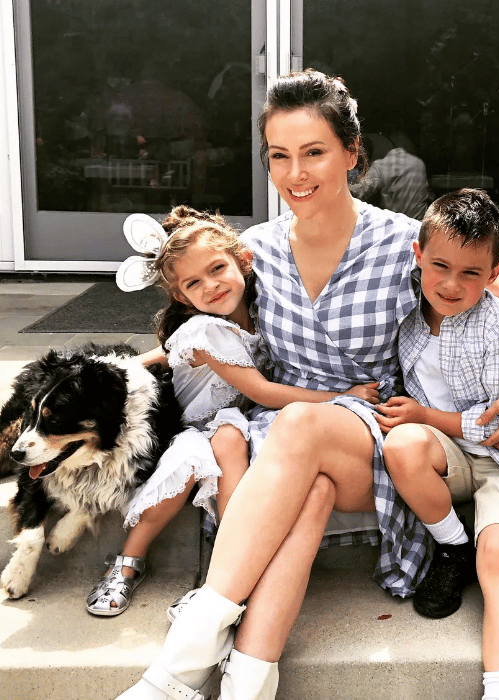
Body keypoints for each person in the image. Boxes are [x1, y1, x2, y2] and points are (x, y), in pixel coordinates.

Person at [114, 69, 499, 700]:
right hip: (290, 438)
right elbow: (202, 326)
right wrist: (127, 367)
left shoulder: (402, 243)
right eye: (279, 156)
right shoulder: (256, 250)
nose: (295, 174)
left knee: (300, 429)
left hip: (375, 434)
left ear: (351, 152)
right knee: (307, 481)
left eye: (313, 152)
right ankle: (242, 681)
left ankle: (177, 663)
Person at [88, 205, 377, 617]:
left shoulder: (262, 315)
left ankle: (226, 575)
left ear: (243, 260)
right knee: (194, 460)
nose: (211, 286)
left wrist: (134, 362)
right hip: (192, 426)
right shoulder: (205, 329)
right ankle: (128, 562)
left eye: (217, 268)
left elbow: (168, 352)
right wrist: (341, 395)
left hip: (237, 422)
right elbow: (261, 389)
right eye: (193, 283)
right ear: (181, 297)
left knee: (232, 438)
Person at [376, 188, 499, 700]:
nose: (451, 284)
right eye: (440, 266)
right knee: (403, 444)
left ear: (494, 274)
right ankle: (452, 545)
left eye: (471, 272)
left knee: (498, 559)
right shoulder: (407, 317)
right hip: (443, 454)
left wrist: (424, 414)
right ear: (418, 257)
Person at [350, 130, 431, 220]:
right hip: (419, 224)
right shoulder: (419, 163)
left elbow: (357, 191)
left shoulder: (382, 165)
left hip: (398, 224)